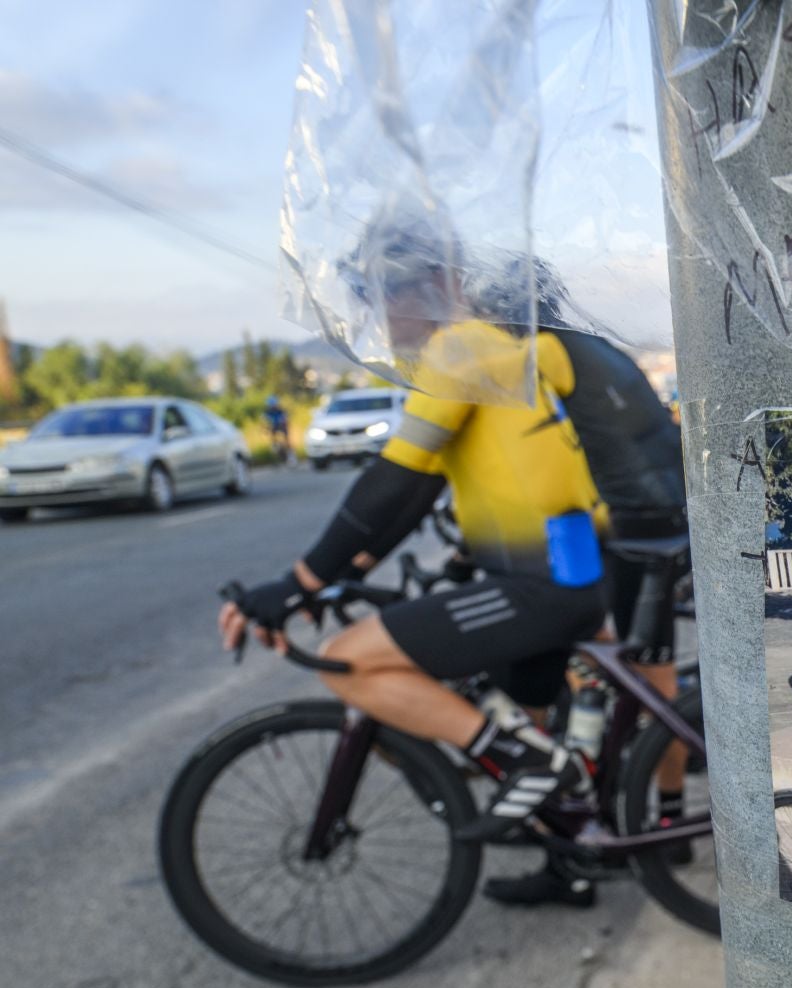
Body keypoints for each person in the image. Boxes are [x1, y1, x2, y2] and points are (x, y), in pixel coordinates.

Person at [219, 214, 617, 883]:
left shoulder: (459, 350)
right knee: (526, 717)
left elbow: (391, 480)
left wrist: (298, 582)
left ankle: (530, 768)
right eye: (370, 295)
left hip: (541, 582)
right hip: (564, 568)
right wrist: (350, 569)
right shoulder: (494, 346)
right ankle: (567, 860)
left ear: (437, 283)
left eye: (385, 292)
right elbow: (414, 495)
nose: (378, 313)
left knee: (346, 662)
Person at [466, 258, 693, 907]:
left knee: (598, 666)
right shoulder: (595, 346)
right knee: (644, 673)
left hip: (637, 528)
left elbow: (542, 469)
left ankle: (568, 851)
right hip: (663, 518)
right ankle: (668, 823)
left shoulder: (540, 354)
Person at [263, 395, 291, 465]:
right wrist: (266, 429)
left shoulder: (280, 410)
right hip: (273, 428)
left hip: (281, 426)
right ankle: (275, 458)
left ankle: (291, 456)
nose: (272, 406)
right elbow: (265, 421)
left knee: (286, 440)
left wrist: (284, 423)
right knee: (273, 443)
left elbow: (285, 419)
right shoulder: (267, 412)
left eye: (273, 405)